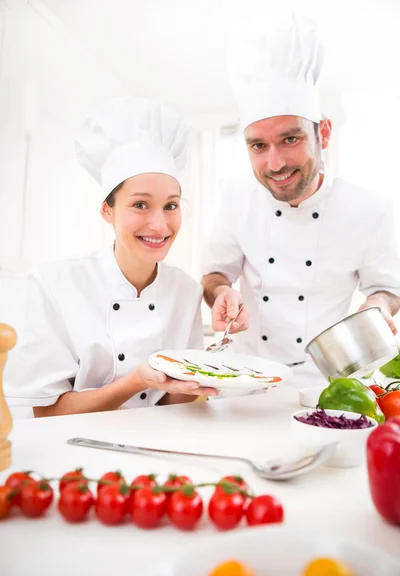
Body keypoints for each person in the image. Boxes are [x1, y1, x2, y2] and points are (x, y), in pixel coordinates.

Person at [201, 14, 400, 388]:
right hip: (241, 378)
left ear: (322, 133)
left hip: (324, 382)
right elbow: (215, 273)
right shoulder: (234, 194)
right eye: (258, 146)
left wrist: (377, 307)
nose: (274, 164)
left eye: (290, 139)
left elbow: (387, 288)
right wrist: (221, 292)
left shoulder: (370, 209)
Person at [5, 97, 218, 416]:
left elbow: (176, 402)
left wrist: (200, 376)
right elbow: (47, 413)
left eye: (171, 205)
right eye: (140, 204)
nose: (160, 224)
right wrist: (136, 381)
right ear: (107, 210)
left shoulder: (186, 290)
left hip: (160, 444)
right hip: (74, 449)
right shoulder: (54, 285)